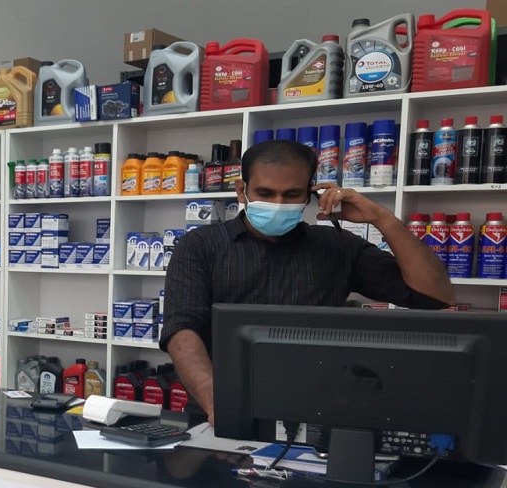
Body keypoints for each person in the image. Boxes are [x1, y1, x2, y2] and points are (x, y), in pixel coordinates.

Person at [159, 139, 454, 424]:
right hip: (219, 407)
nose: (278, 203)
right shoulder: (201, 246)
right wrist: (218, 404)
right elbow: (182, 330)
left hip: (320, 408)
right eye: (265, 193)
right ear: (241, 190)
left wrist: (382, 218)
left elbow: (434, 296)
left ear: (309, 195)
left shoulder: (338, 246)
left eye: (291, 194)